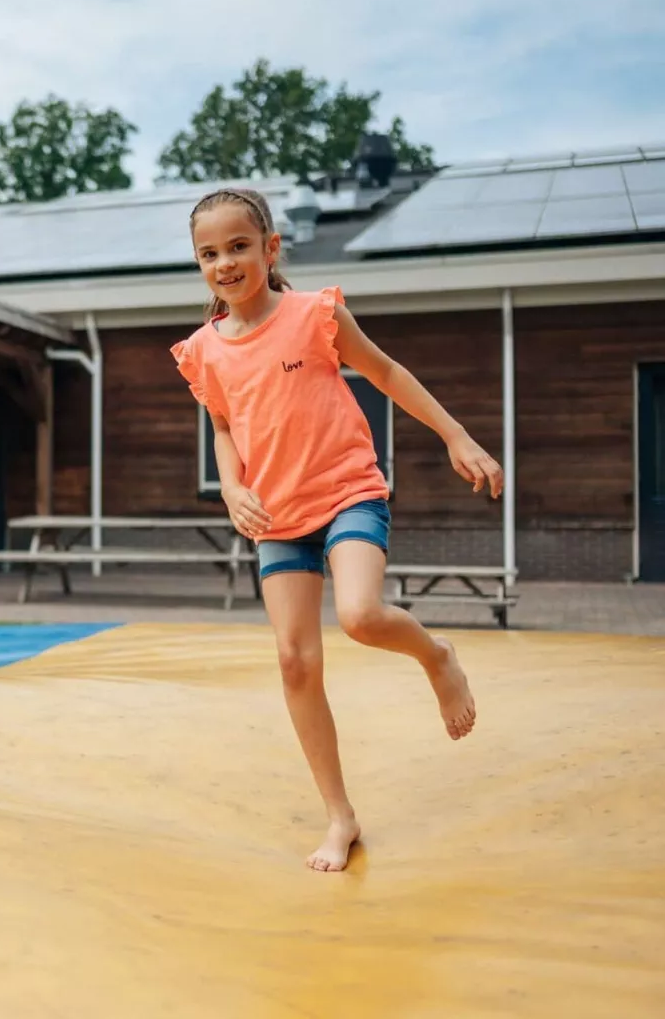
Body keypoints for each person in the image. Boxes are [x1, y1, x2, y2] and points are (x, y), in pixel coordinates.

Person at [170, 186, 504, 873]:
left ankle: (435, 657)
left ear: (270, 248)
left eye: (238, 246)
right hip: (279, 516)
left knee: (357, 615)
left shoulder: (314, 315)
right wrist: (232, 485)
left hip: (348, 490)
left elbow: (384, 371)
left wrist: (457, 436)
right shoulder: (205, 351)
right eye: (209, 253)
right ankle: (339, 815)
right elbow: (225, 426)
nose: (225, 263)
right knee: (295, 662)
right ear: (199, 263)